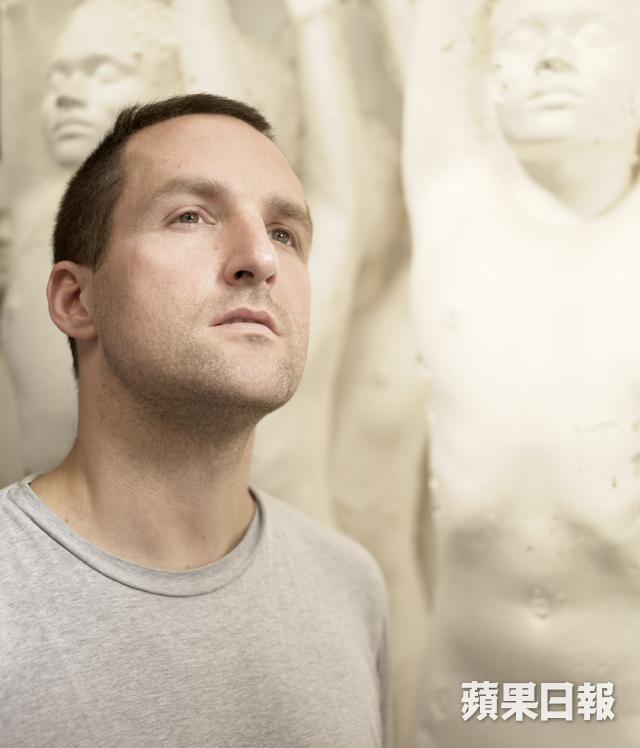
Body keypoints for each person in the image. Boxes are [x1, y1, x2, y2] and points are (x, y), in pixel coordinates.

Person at [0, 93, 390, 748]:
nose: (260, 258)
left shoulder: (350, 586)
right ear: (76, 300)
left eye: (284, 233)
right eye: (189, 217)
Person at [404, 0, 640, 746]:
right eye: (523, 34)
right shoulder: (454, 207)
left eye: (593, 33)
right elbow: (440, 31)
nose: (552, 56)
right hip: (467, 706)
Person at [2, 0, 184, 476]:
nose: (66, 96)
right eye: (56, 79)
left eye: (102, 72)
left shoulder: (182, 230)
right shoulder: (34, 215)